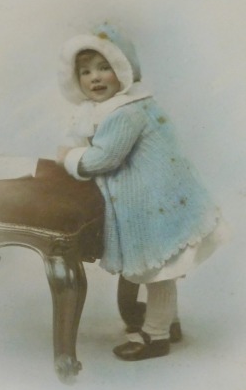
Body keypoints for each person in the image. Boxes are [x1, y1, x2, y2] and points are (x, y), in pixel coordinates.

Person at [56, 23, 227, 361]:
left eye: (105, 67)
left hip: (156, 205)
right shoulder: (108, 110)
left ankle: (156, 336)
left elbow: (104, 157)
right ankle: (168, 323)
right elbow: (89, 138)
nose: (95, 77)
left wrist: (70, 158)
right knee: (159, 270)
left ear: (123, 70)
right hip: (153, 203)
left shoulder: (128, 111)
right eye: (86, 71)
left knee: (157, 273)